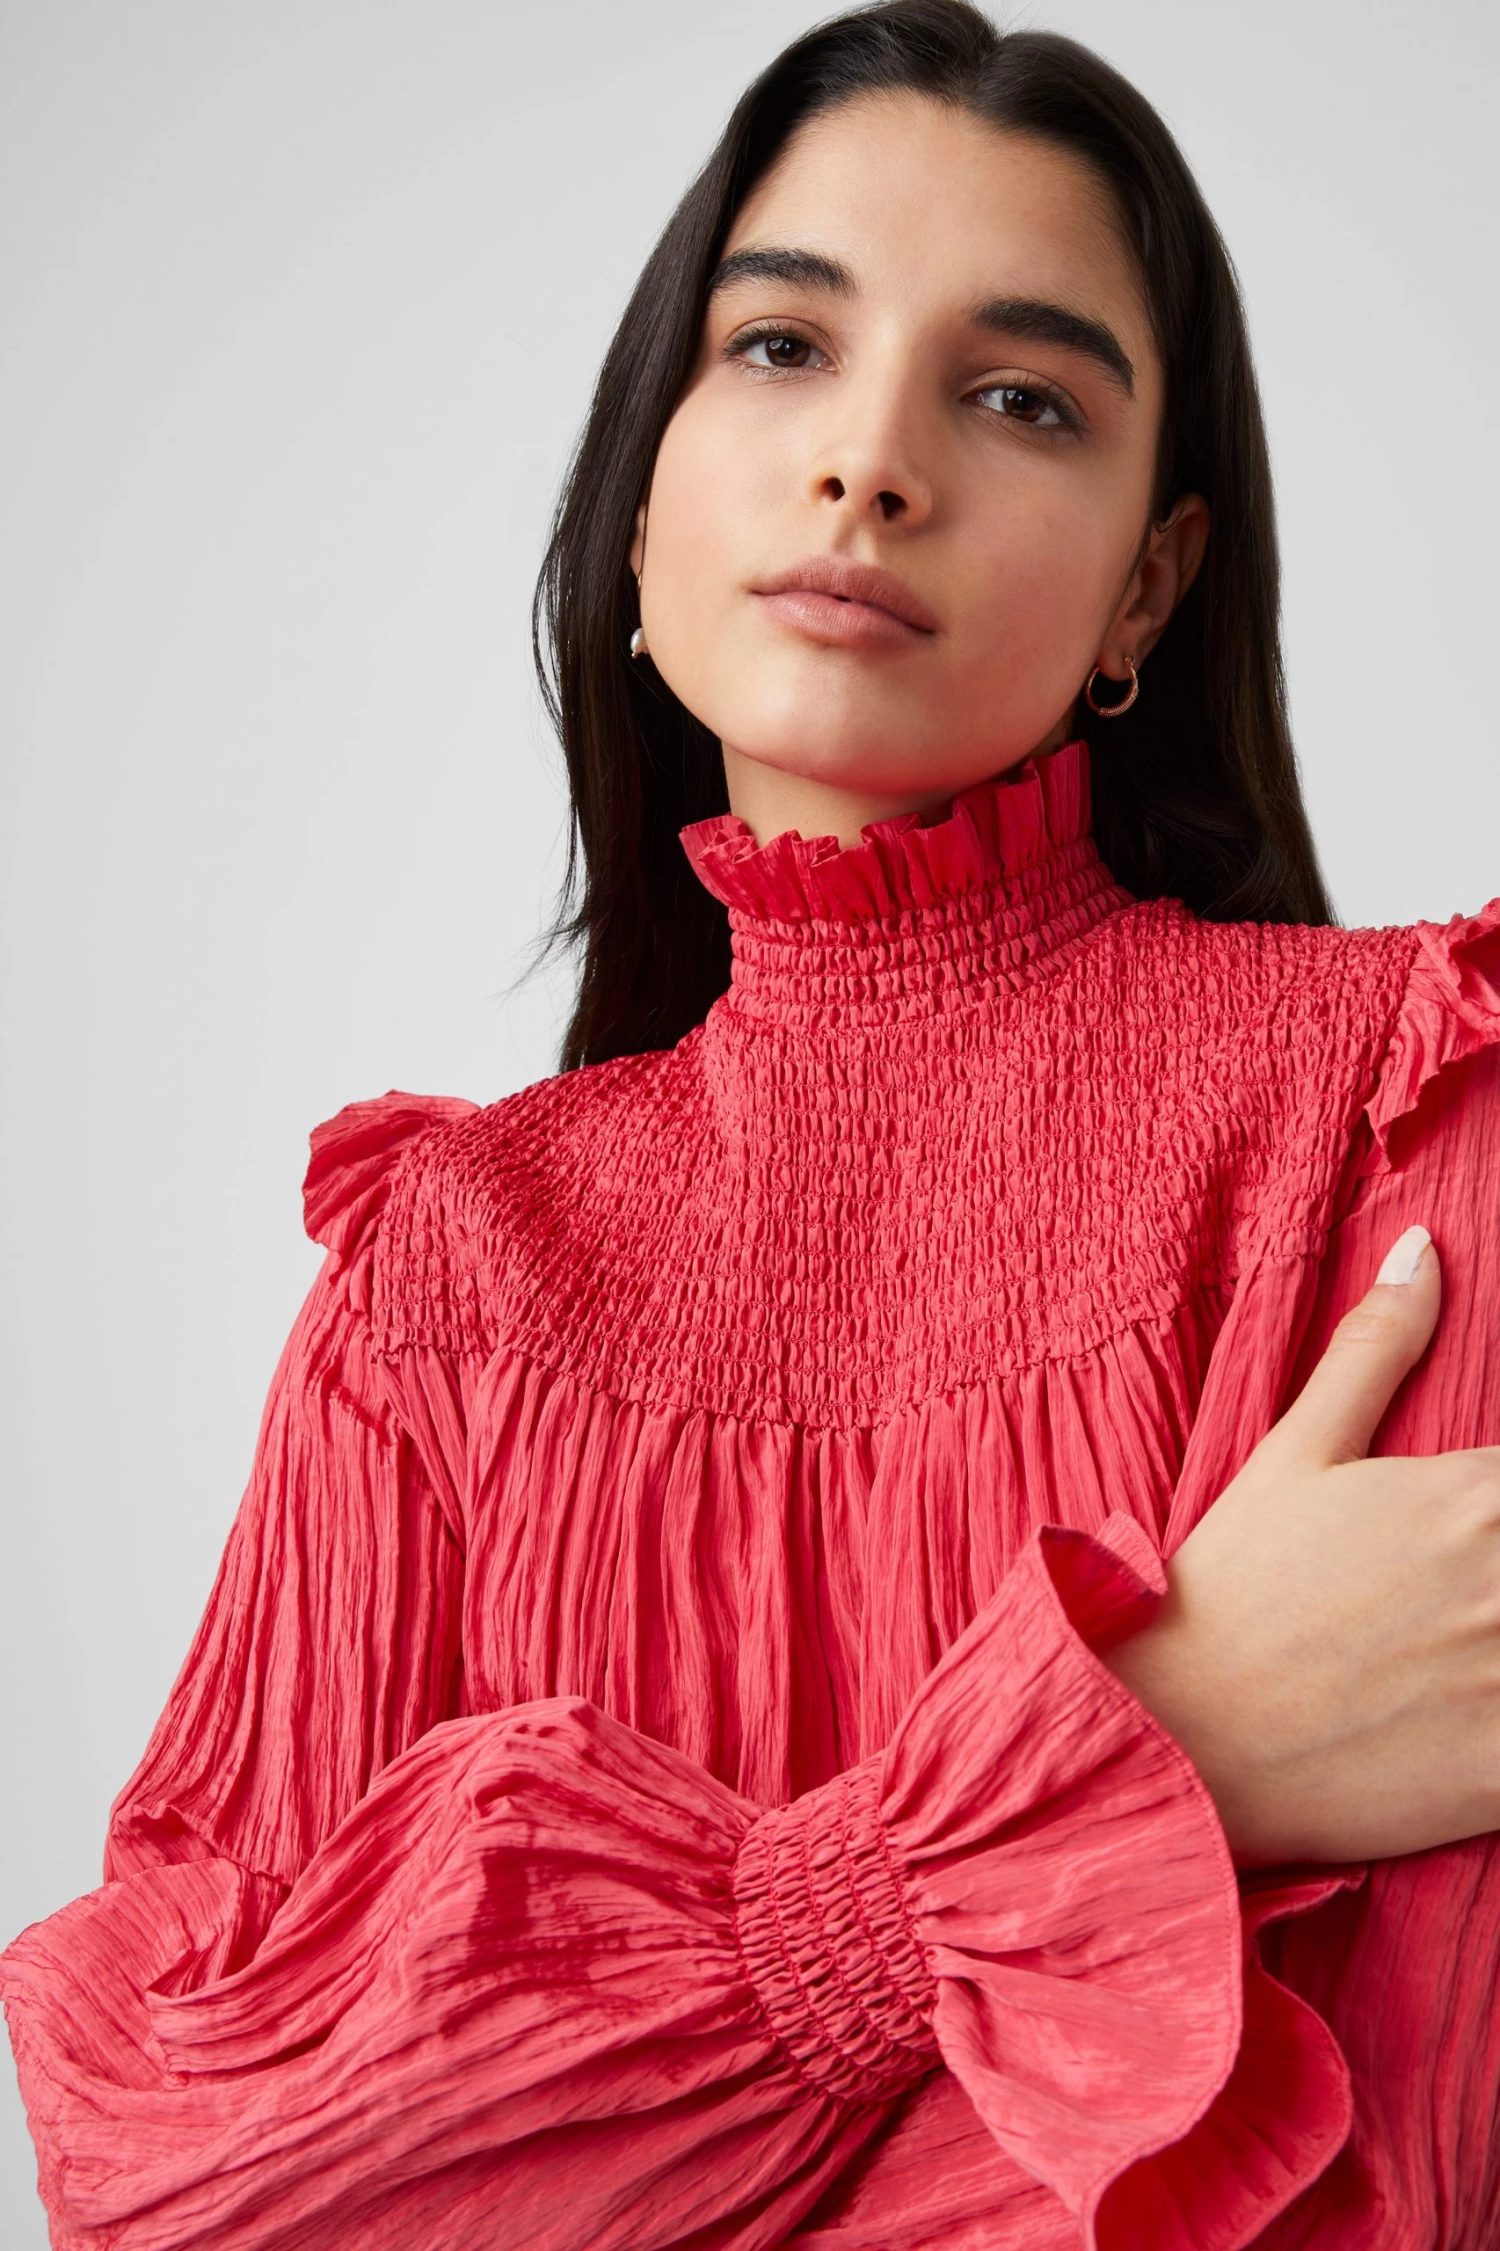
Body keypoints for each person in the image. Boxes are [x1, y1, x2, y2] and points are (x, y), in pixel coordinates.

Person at [5, 3, 1499, 2244]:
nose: (870, 462)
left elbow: (1387, 2171)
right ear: (642, 502)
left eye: (1021, 395)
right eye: (783, 347)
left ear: (1150, 585)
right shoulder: (447, 1280)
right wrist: (1140, 1768)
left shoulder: (1409, 1103)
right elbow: (176, 2172)